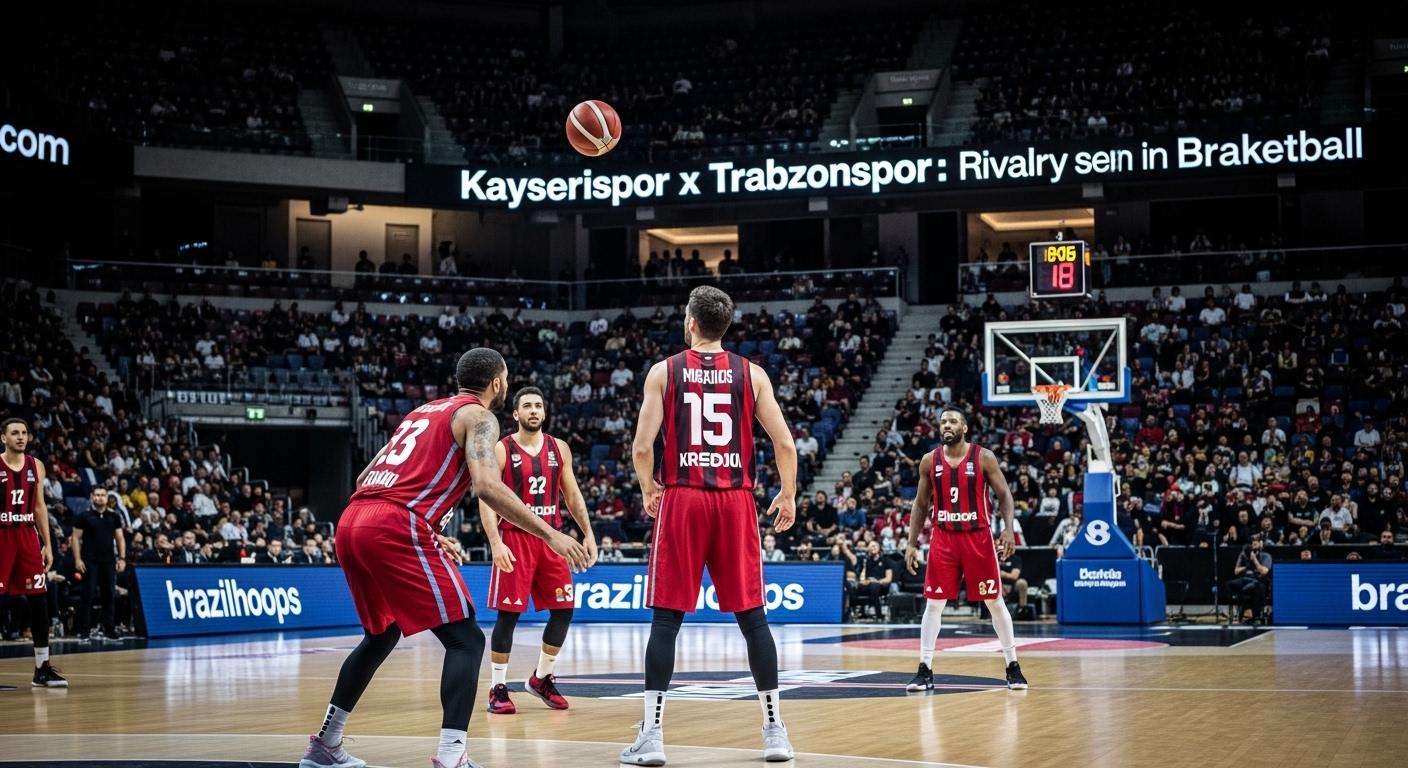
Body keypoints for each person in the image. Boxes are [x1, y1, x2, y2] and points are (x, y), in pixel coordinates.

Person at [299, 349, 589, 768]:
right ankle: (453, 755)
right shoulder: (480, 417)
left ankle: (325, 744)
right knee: (466, 640)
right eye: (506, 381)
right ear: (497, 383)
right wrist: (551, 534)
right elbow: (488, 487)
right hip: (395, 524)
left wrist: (431, 530)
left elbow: (366, 478)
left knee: (381, 635)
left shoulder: (422, 411)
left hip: (353, 519)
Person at [622, 286, 798, 765]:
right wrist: (788, 493)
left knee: (666, 618)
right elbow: (785, 445)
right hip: (735, 502)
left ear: (691, 323)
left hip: (683, 498)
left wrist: (647, 489)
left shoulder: (664, 371)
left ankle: (653, 736)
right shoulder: (752, 374)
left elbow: (642, 448)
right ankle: (774, 732)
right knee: (753, 618)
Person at [483, 387, 598, 715]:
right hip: (514, 539)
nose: (533, 410)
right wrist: (495, 542)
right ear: (516, 414)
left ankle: (541, 677)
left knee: (563, 610)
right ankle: (498, 687)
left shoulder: (559, 449)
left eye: (538, 405)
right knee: (509, 616)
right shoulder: (502, 450)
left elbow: (572, 495)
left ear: (544, 412)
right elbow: (486, 497)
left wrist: (588, 533)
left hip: (551, 540)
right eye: (527, 406)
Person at [904, 408, 1028, 692]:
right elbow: (921, 505)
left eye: (952, 421)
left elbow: (1005, 496)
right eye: (943, 422)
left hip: (977, 537)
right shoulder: (928, 461)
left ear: (965, 428)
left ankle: (1012, 666)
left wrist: (1008, 529)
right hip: (944, 538)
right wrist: (912, 543)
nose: (946, 425)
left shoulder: (983, 457)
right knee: (933, 604)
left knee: (994, 601)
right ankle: (924, 669)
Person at [0, 419, 66, 687]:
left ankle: (42, 668)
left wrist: (47, 544)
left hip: (27, 534)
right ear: (3, 438)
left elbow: (39, 507)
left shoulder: (36, 465)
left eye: (24, 433)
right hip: (2, 533)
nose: (21, 437)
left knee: (40, 598)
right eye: (14, 433)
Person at [72, 486, 126, 640]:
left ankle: (109, 629)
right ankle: (84, 631)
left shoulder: (114, 516)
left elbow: (120, 538)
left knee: (109, 595)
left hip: (108, 561)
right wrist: (77, 559)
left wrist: (122, 558)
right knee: (87, 596)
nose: (100, 498)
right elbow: (75, 538)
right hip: (89, 561)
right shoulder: (84, 516)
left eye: (103, 495)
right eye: (97, 495)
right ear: (92, 497)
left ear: (107, 497)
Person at [1227, 534, 1273, 622]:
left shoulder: (1266, 556)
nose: (1254, 544)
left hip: (1259, 581)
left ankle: (1252, 614)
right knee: (1230, 584)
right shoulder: (1244, 554)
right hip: (1246, 579)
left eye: (1256, 542)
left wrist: (1254, 560)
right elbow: (1236, 571)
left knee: (1255, 586)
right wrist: (1246, 566)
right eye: (1253, 543)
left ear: (1261, 544)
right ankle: (1236, 612)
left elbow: (1264, 571)